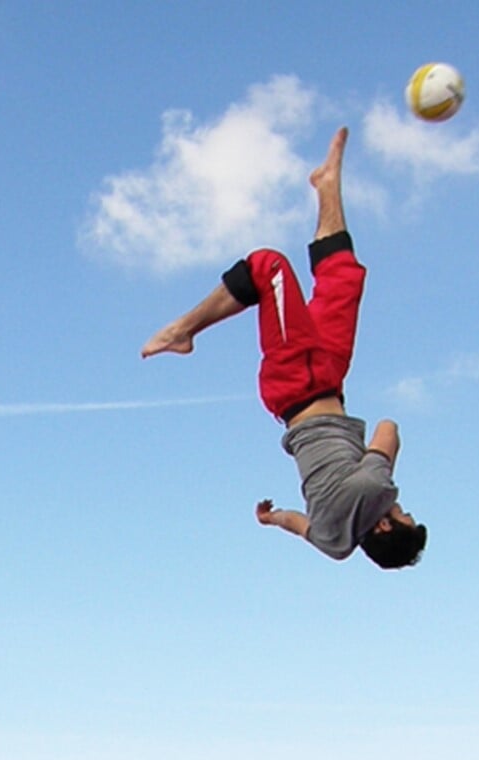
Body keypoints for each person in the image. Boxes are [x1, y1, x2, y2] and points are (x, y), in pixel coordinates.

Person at [142, 126, 427, 568]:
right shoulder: (337, 545)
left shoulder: (376, 493)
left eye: (404, 516)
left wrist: (382, 471)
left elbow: (389, 428)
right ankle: (327, 186)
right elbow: (300, 525)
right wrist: (272, 518)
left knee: (267, 267)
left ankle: (183, 331)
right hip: (325, 377)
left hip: (300, 382)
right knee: (342, 279)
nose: (402, 509)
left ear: (386, 526)